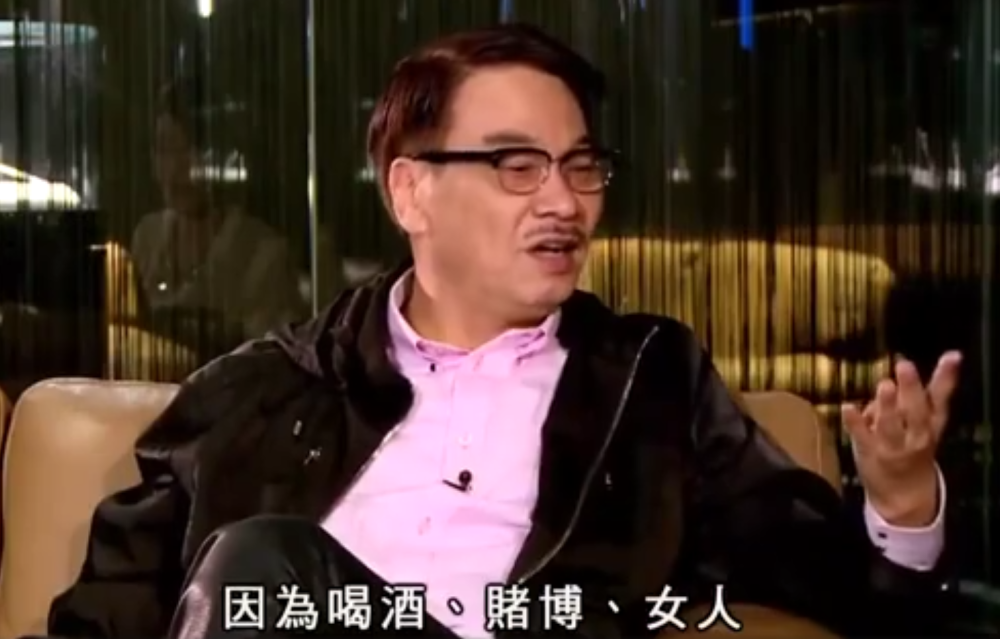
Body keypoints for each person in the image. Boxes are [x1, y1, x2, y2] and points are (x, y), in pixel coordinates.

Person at [50, 23, 961, 639]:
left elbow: (825, 580)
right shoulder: (268, 383)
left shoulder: (646, 381)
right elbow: (114, 603)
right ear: (411, 191)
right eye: (518, 166)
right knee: (259, 564)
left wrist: (901, 504)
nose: (564, 201)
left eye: (582, 166)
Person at [130, 81, 304, 341]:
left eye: (191, 150)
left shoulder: (265, 257)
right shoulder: (147, 239)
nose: (176, 167)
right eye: (165, 149)